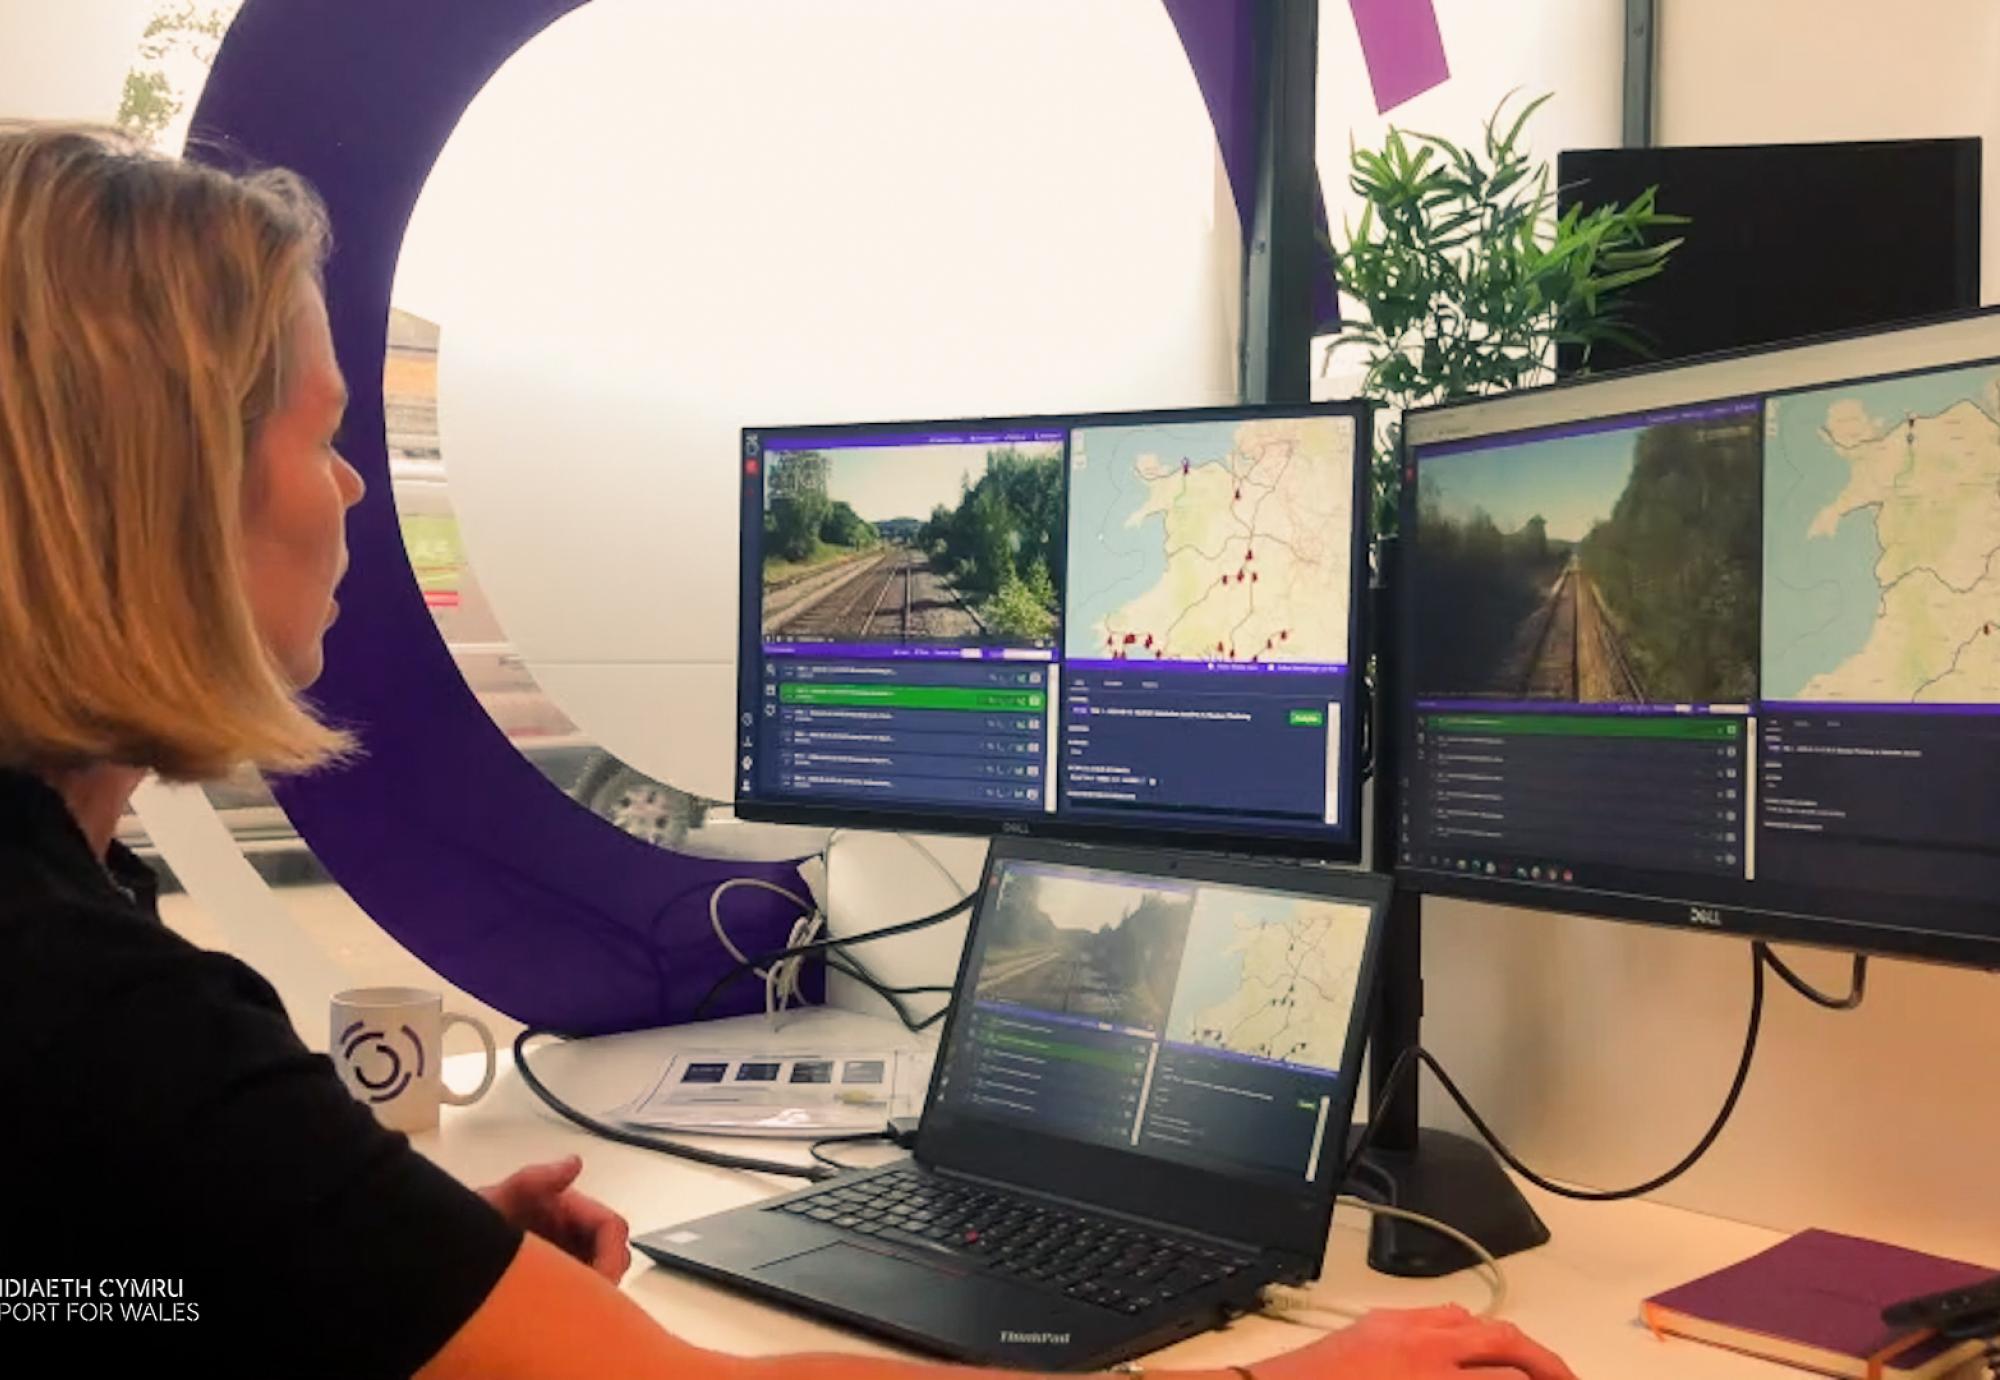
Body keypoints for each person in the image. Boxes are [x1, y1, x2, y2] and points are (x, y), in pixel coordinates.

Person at [0, 123, 1580, 1380]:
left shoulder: (72, 929)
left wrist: (367, 1266)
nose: (350, 493)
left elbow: (72, 1295)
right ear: (161, 487)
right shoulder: (110, 1020)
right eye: (321, 436)